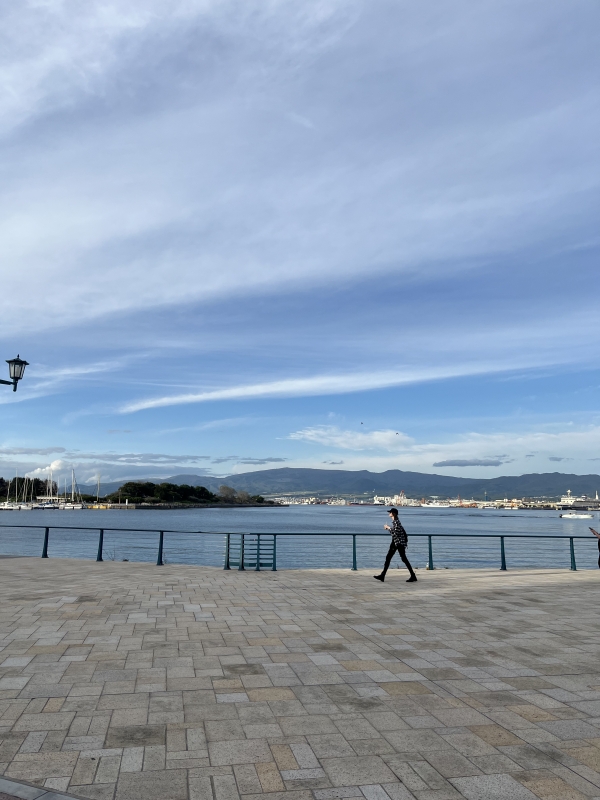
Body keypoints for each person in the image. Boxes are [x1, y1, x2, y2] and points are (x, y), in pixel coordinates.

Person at [374, 507, 417, 583]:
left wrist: (388, 528)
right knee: (390, 558)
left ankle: (413, 576)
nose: (389, 513)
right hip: (395, 542)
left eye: (390, 512)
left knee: (402, 559)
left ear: (393, 514)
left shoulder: (396, 522)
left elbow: (396, 533)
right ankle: (382, 575)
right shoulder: (396, 522)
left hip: (398, 543)